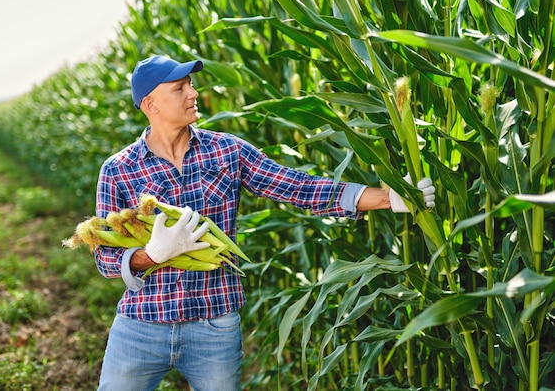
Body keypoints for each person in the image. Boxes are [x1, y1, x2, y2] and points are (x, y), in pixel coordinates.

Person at [94, 55, 436, 390]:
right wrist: (152, 254)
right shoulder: (119, 169)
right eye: (180, 88)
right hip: (141, 325)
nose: (194, 93)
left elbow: (297, 187)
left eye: (191, 85)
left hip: (215, 325)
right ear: (151, 104)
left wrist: (388, 197)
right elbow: (104, 257)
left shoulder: (227, 151)